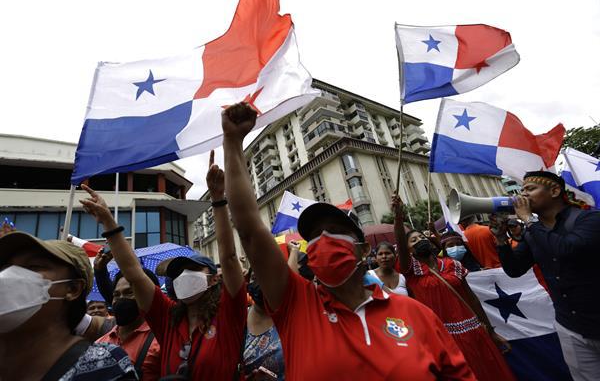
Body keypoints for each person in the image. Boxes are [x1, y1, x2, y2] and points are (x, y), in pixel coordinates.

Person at [221, 102, 475, 380]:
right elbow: (249, 228)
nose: (324, 239)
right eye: (314, 236)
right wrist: (233, 143)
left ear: (363, 249)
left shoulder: (415, 314)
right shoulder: (297, 306)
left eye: (334, 229)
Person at [79, 150, 246, 380]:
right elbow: (134, 273)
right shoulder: (167, 318)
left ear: (214, 278)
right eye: (176, 273)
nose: (182, 276)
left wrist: (218, 199)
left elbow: (228, 258)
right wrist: (108, 221)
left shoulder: (229, 311)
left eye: (192, 269)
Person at [492, 171, 600, 381]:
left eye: (530, 189)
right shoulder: (534, 232)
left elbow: (567, 250)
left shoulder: (589, 219)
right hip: (570, 327)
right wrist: (500, 240)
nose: (523, 195)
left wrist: (528, 221)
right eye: (522, 190)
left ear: (555, 191)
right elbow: (514, 269)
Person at [395, 196, 516, 381]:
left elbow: (472, 298)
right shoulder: (412, 271)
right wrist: (398, 217)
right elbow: (401, 248)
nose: (419, 240)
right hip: (443, 339)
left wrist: (490, 331)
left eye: (421, 236)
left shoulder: (452, 264)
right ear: (408, 251)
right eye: (413, 241)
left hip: (475, 332)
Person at [0, 231, 137, 380]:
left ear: (73, 289)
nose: (9, 276)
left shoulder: (104, 366)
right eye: (6, 267)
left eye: (33, 266)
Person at [97, 270, 162, 381]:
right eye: (116, 295)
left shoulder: (161, 341)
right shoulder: (100, 344)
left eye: (129, 293)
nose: (121, 299)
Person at [244, 270, 285, 380]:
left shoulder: (292, 321)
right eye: (254, 278)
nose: (260, 284)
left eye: (267, 279)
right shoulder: (238, 320)